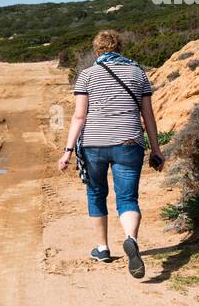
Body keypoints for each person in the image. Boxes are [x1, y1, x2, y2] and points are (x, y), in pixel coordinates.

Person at [57, 30, 164, 279]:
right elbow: (148, 116)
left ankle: (103, 248)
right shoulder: (138, 73)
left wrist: (68, 150)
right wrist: (156, 149)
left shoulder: (87, 75)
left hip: (94, 144)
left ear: (97, 50)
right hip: (129, 142)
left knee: (96, 193)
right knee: (127, 198)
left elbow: (79, 117)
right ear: (120, 48)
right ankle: (131, 239)